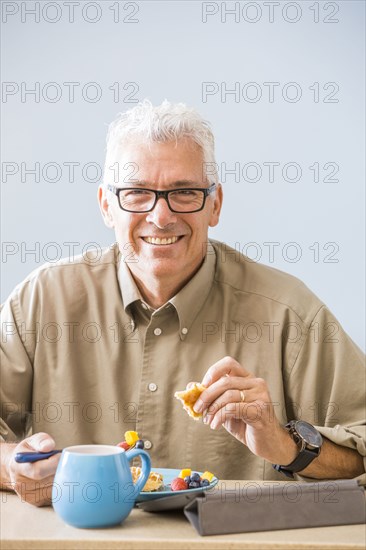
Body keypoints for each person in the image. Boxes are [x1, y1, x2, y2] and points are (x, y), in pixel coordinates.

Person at [1, 100, 365, 507]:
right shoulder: (41, 301)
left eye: (184, 192)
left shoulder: (290, 315)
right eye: (137, 193)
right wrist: (13, 465)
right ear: (106, 205)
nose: (161, 216)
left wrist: (285, 446)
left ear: (215, 204)